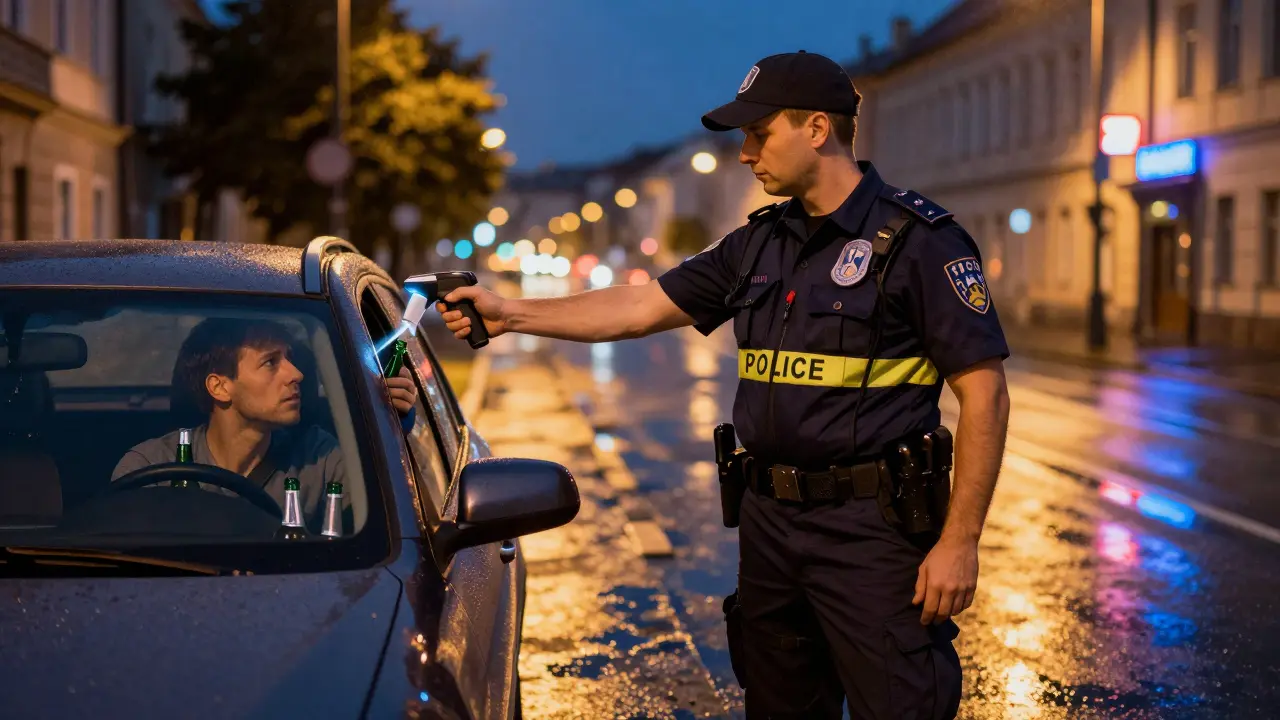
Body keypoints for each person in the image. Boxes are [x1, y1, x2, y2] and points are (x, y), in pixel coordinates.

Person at [437, 51, 1011, 719]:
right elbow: (638, 306)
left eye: (759, 134)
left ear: (817, 128)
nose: (745, 154)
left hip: (872, 534)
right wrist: (510, 314)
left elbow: (985, 394)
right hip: (770, 528)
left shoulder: (919, 242)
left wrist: (959, 541)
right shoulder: (758, 244)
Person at [112, 317, 418, 534]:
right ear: (220, 387)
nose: (296, 374)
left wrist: (391, 426)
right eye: (270, 362)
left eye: (290, 358)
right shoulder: (151, 467)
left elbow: (394, 517)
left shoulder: (320, 459)